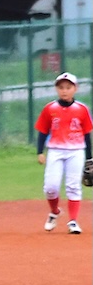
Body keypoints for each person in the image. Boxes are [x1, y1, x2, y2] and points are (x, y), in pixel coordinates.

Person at [35, 72, 92, 235]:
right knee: (50, 187)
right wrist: (40, 151)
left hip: (76, 151)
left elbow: (87, 134)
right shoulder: (50, 108)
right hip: (55, 150)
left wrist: (90, 158)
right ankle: (55, 212)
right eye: (61, 87)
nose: (64, 91)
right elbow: (43, 131)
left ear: (75, 89)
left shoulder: (81, 109)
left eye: (68, 87)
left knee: (73, 186)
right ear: (56, 89)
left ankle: (73, 221)